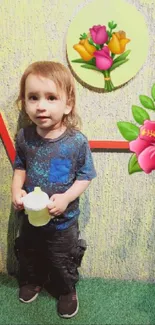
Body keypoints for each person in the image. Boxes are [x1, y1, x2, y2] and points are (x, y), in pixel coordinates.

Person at [12, 61, 96, 318]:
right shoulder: (24, 137)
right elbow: (20, 167)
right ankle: (33, 279)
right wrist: (16, 191)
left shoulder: (76, 142)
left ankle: (66, 290)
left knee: (62, 259)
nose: (41, 106)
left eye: (51, 97)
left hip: (63, 222)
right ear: (23, 102)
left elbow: (85, 176)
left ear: (67, 104)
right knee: (29, 251)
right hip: (30, 217)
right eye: (33, 97)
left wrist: (67, 197)